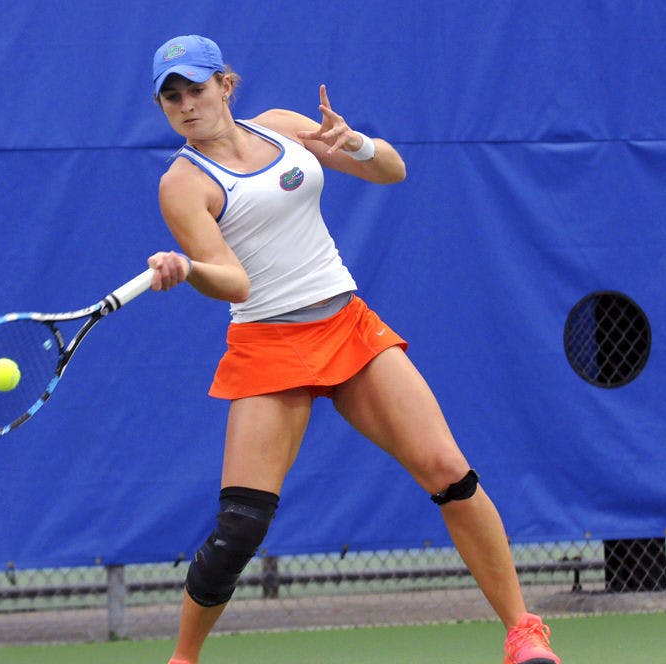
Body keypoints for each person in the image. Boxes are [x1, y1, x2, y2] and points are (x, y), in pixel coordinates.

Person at [145, 34, 562, 664]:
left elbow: (391, 169)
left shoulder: (285, 127)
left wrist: (355, 143)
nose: (185, 105)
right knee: (239, 528)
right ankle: (183, 659)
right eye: (170, 97)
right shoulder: (181, 184)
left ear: (226, 86)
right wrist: (190, 269)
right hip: (268, 342)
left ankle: (523, 633)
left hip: (346, 324)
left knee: (449, 472)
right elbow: (234, 280)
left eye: (195, 89)